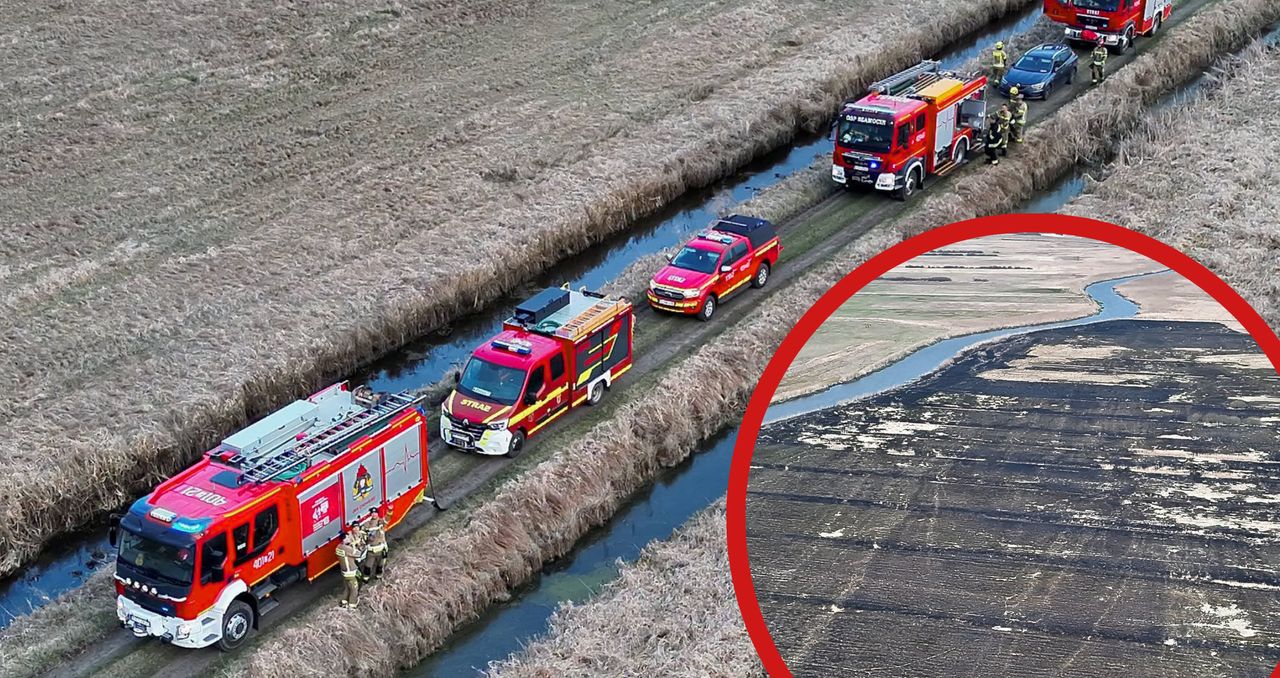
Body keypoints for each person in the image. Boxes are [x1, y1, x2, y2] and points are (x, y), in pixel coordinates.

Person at [335, 527, 366, 608]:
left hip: (344, 572)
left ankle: (344, 602)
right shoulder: (347, 549)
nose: (349, 538)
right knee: (354, 589)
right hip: (351, 572)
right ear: (344, 539)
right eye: (348, 537)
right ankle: (352, 605)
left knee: (347, 588)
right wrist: (356, 546)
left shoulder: (338, 547)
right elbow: (359, 554)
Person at [363, 509, 389, 580]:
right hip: (371, 550)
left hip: (381, 549)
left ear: (377, 514)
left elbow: (387, 519)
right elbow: (364, 533)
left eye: (375, 513)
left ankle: (378, 575)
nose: (374, 514)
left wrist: (389, 511)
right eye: (372, 513)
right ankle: (366, 578)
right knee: (368, 566)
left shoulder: (381, 522)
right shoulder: (367, 524)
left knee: (380, 565)